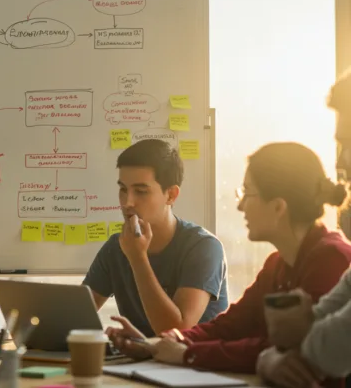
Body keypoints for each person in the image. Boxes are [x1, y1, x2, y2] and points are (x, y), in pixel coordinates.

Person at [109, 142, 351, 375]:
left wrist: (188, 354)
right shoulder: (277, 263)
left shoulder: (331, 259)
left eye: (247, 193)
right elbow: (230, 326)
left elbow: (287, 348)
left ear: (278, 207)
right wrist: (158, 344)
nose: (240, 206)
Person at [254, 71, 351, 388]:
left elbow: (331, 348)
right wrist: (270, 357)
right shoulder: (276, 263)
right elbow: (308, 328)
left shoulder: (329, 254)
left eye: (349, 143)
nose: (344, 161)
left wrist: (269, 358)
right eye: (341, 145)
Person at [82, 139, 228, 337]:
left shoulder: (204, 248)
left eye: (141, 191)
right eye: (123, 189)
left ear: (171, 195)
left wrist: (137, 258)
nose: (127, 202)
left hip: (193, 356)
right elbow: (75, 315)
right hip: (143, 356)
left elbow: (177, 331)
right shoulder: (115, 248)